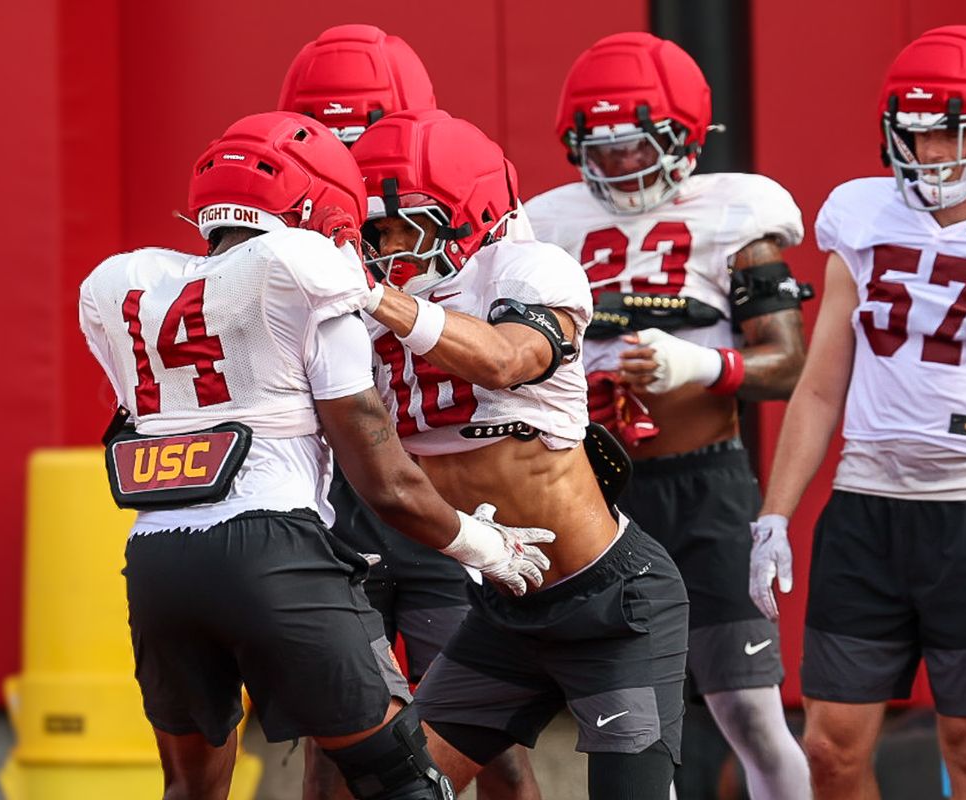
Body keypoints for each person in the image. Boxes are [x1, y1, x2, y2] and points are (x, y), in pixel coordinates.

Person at [77, 111, 554, 800]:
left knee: (190, 789)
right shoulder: (304, 271)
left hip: (156, 563)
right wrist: (483, 544)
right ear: (318, 206)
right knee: (403, 781)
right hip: (276, 555)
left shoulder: (126, 280)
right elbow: (383, 480)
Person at [747, 25, 966, 799]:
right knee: (831, 747)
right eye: (913, 133)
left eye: (949, 132)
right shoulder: (862, 213)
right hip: (867, 505)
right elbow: (818, 386)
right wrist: (775, 514)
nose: (929, 151)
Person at [350, 108, 690, 800]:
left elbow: (506, 360)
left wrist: (377, 299)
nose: (382, 247)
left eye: (400, 225)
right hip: (504, 608)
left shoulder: (528, 269)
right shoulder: (364, 303)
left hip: (611, 602)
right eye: (370, 231)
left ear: (466, 214)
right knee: (399, 788)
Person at [524, 32, 812, 800]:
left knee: (749, 712)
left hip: (705, 487)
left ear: (683, 138)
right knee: (629, 716)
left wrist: (699, 365)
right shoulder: (544, 224)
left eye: (634, 146)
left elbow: (790, 362)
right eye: (602, 149)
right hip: (592, 491)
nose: (618, 166)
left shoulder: (736, 211)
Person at [279, 25, 541, 799]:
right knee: (336, 734)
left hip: (438, 484)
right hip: (332, 493)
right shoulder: (283, 213)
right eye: (331, 132)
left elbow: (510, 348)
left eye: (364, 130)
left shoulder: (464, 205)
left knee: (483, 732)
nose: (348, 151)